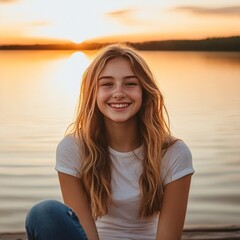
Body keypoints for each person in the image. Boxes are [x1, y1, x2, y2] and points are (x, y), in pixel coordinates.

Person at [25, 43, 194, 240]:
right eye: (107, 84)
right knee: (45, 214)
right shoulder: (73, 148)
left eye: (130, 83)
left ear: (144, 92)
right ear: (93, 93)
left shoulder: (173, 152)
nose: (119, 92)